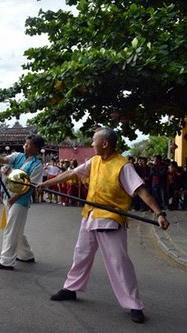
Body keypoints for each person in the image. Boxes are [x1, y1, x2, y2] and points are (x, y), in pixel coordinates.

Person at [37, 127, 170, 324]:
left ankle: (134, 304)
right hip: (90, 215)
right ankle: (71, 288)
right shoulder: (94, 161)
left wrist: (159, 213)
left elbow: (141, 191)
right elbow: (72, 173)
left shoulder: (123, 166)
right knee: (80, 255)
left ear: (105, 143)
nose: (92, 144)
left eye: (94, 140)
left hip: (110, 218)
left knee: (119, 262)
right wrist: (45, 184)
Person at [0, 134, 45, 270]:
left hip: (20, 201)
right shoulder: (17, 156)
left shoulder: (37, 166)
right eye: (25, 143)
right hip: (9, 196)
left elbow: (31, 185)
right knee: (15, 228)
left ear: (36, 149)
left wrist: (14, 198)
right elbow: (4, 160)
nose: (25, 145)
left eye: (28, 144)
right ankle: (26, 254)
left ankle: (6, 261)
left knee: (11, 229)